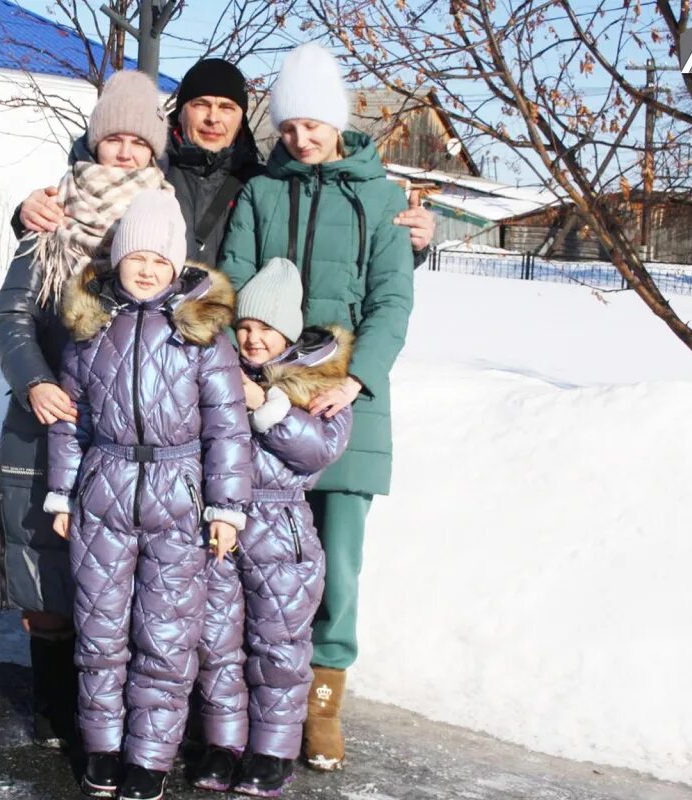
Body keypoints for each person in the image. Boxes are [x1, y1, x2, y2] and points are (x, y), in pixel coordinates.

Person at [218, 42, 416, 772]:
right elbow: (234, 273)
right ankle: (250, 693)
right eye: (290, 125)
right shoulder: (263, 193)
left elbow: (393, 298)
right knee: (255, 554)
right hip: (262, 390)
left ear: (339, 122)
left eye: (314, 124)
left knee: (336, 561)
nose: (301, 139)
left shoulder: (383, 199)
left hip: (344, 397)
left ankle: (322, 702)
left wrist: (358, 379)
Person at [45, 190, 252, 800]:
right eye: (135, 256)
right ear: (116, 260)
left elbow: (227, 428)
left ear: (176, 267)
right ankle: (103, 747)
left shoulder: (202, 338)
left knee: (165, 634)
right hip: (103, 491)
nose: (145, 268)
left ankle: (149, 757)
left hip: (178, 495)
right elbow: (71, 423)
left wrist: (226, 508)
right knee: (101, 630)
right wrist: (62, 494)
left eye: (158, 260)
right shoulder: (90, 331)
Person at [0, 69, 172, 750]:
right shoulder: (52, 217)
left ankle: (110, 716)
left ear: (155, 151)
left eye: (137, 141)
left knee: (115, 576)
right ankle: (52, 710)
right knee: (48, 575)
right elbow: (11, 317)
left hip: (128, 429)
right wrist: (33, 382)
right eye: (113, 139)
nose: (124, 152)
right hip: (51, 416)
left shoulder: (165, 224)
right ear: (94, 143)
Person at [17, 59, 438, 268]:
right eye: (200, 104)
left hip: (230, 352)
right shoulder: (147, 169)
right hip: (139, 337)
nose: (213, 118)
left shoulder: (263, 181)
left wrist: (414, 246)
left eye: (227, 107)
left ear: (242, 116)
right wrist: (26, 213)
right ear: (181, 111)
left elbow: (326, 241)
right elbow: (82, 202)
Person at [193, 258, 355, 796]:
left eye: (265, 329)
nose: (252, 338)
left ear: (286, 331)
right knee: (216, 642)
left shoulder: (321, 384)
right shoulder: (217, 369)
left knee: (279, 647)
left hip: (282, 530)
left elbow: (317, 451)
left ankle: (273, 750)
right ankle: (224, 743)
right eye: (244, 326)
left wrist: (266, 404)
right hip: (220, 527)